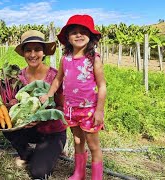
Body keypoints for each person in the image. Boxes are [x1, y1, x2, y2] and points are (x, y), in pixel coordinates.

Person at [40, 14, 106, 180]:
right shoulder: (65, 59)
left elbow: (102, 86)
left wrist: (99, 111)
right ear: (68, 38)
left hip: (89, 110)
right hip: (70, 109)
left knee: (93, 145)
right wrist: (48, 95)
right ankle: (79, 173)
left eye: (83, 31)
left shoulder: (93, 60)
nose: (78, 35)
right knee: (77, 141)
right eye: (74, 32)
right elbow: (57, 80)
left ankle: (97, 177)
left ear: (90, 36)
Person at [3, 30, 67, 180]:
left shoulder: (55, 76)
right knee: (3, 123)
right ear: (23, 53)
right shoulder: (17, 77)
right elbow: (11, 105)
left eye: (37, 49)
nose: (33, 54)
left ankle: (51, 151)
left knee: (39, 173)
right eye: (28, 50)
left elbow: (62, 108)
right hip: (26, 130)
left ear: (44, 52)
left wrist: (42, 116)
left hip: (52, 131)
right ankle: (26, 153)